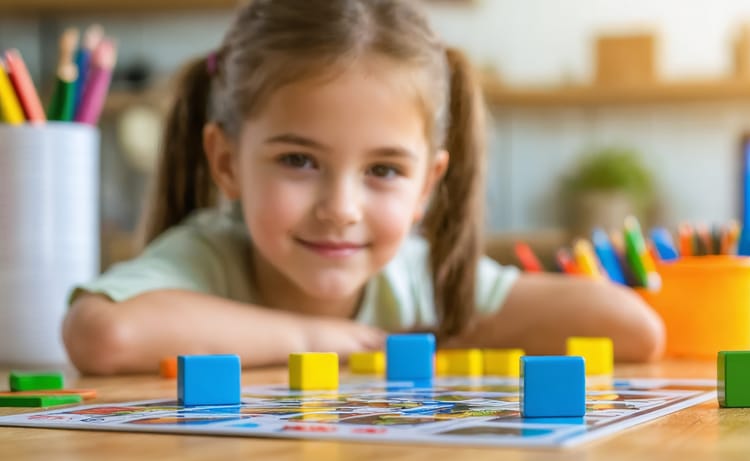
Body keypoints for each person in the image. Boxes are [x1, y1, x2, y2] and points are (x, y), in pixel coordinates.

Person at [63, 0, 663, 375]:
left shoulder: (419, 275)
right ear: (226, 162)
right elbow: (103, 332)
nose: (341, 210)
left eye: (384, 171)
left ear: (427, 184)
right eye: (298, 160)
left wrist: (456, 325)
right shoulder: (208, 254)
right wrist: (319, 339)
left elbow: (634, 329)